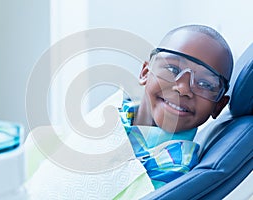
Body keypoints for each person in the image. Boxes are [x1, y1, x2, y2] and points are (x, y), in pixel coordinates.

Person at [25, 24, 233, 199]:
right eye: (172, 70)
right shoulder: (114, 110)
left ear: (218, 106)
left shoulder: (172, 172)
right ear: (145, 73)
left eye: (205, 83)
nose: (183, 88)